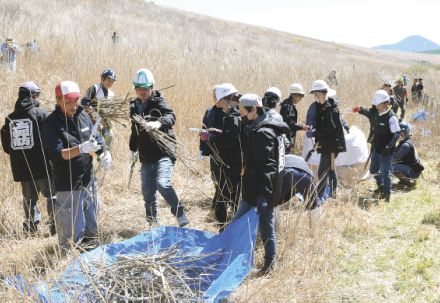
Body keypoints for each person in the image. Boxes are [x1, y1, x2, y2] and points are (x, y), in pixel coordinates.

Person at [43, 81, 111, 248]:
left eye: (76, 100)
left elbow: (95, 137)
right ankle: (70, 263)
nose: (74, 106)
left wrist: (103, 153)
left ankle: (92, 254)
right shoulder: (50, 124)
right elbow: (57, 153)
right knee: (72, 231)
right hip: (68, 184)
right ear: (58, 100)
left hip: (88, 179)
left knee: (91, 223)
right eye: (68, 102)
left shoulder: (82, 115)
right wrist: (80, 148)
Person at [232, 93, 289, 275]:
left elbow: (269, 166)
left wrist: (264, 195)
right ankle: (236, 258)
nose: (241, 116)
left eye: (243, 112)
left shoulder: (263, 133)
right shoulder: (264, 126)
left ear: (254, 110)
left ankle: (269, 265)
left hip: (261, 191)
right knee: (241, 224)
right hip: (257, 189)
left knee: (264, 227)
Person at [129, 68, 189, 227]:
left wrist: (158, 123)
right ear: (135, 88)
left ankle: (179, 212)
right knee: (147, 193)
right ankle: (152, 224)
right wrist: (132, 149)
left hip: (164, 152)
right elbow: (134, 130)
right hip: (146, 156)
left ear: (152, 88)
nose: (142, 91)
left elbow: (171, 116)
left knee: (162, 183)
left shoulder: (159, 101)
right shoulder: (134, 107)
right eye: (139, 88)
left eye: (145, 88)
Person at [1, 81, 56, 235]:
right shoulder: (42, 114)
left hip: (22, 168)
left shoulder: (10, 118)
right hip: (43, 166)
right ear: (33, 96)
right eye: (37, 94)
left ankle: (30, 228)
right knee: (52, 196)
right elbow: (52, 140)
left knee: (29, 199)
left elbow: (7, 147)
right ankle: (54, 226)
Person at [200, 83, 242, 231]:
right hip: (228, 163)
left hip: (232, 166)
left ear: (227, 99)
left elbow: (230, 141)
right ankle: (226, 227)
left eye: (222, 102)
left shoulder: (235, 117)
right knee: (226, 195)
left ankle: (225, 229)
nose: (221, 106)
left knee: (227, 198)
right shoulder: (235, 115)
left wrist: (212, 137)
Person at [308, 80, 346, 199]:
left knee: (323, 172)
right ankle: (333, 194)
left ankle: (318, 198)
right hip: (327, 145)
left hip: (332, 146)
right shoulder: (324, 107)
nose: (314, 96)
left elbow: (331, 128)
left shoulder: (330, 109)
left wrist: (315, 133)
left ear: (319, 93)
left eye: (315, 94)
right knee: (330, 169)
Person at [369, 90, 400, 202]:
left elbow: (396, 134)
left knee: (385, 173)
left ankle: (386, 195)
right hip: (376, 149)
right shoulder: (377, 114)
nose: (376, 106)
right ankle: (380, 186)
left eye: (377, 104)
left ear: (384, 104)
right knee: (373, 170)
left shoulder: (392, 117)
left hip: (387, 152)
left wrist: (388, 147)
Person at [84, 69, 116, 150]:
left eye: (112, 81)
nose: (110, 82)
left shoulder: (112, 94)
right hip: (94, 120)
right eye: (108, 79)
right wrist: (93, 113)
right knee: (98, 139)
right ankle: (100, 156)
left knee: (109, 135)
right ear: (102, 78)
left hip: (106, 121)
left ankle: (107, 155)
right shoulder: (94, 88)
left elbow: (112, 107)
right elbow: (84, 102)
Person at [392, 122, 424, 189]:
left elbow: (394, 158)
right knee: (392, 166)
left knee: (391, 167)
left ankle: (408, 184)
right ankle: (403, 181)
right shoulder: (405, 141)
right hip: (412, 169)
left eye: (398, 133)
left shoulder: (405, 145)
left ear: (402, 133)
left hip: (413, 172)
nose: (396, 135)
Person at [280, 83, 308, 150]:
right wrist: (302, 126)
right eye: (300, 96)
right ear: (293, 95)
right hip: (285, 141)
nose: (301, 98)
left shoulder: (287, 105)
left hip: (285, 141)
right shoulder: (288, 107)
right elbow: (289, 124)